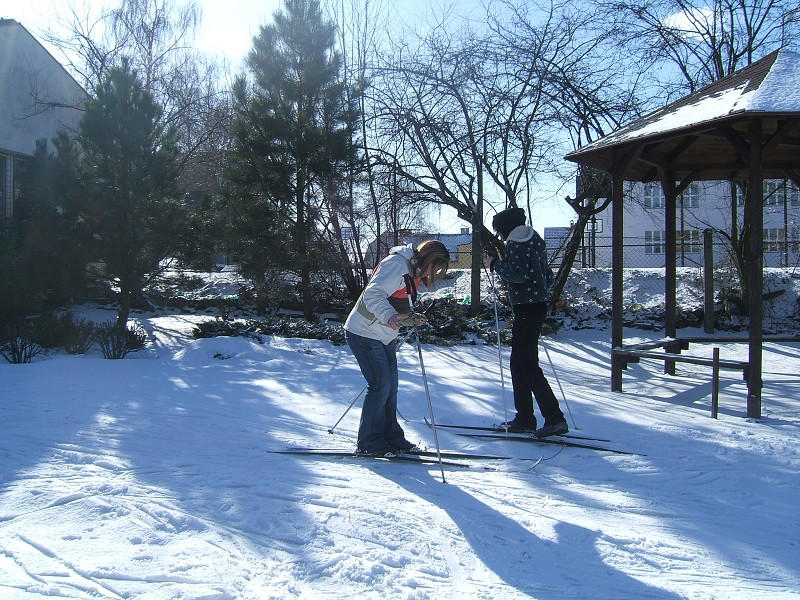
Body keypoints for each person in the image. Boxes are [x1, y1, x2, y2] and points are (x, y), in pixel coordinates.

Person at [344, 240, 450, 456]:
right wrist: (391, 316)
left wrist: (408, 318)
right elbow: (373, 294)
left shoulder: (412, 271)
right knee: (380, 386)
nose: (435, 273)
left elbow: (396, 301)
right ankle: (368, 442)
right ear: (429, 259)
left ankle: (391, 437)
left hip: (382, 334)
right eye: (436, 267)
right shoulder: (396, 265)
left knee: (390, 388)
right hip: (364, 332)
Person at [483, 206, 568, 438]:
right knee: (518, 363)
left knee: (527, 364)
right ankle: (524, 418)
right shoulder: (535, 240)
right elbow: (547, 275)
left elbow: (517, 274)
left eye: (499, 231)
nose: (500, 236)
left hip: (525, 308)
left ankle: (554, 418)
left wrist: (494, 264)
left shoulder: (515, 242)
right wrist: (539, 291)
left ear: (506, 228)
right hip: (536, 306)